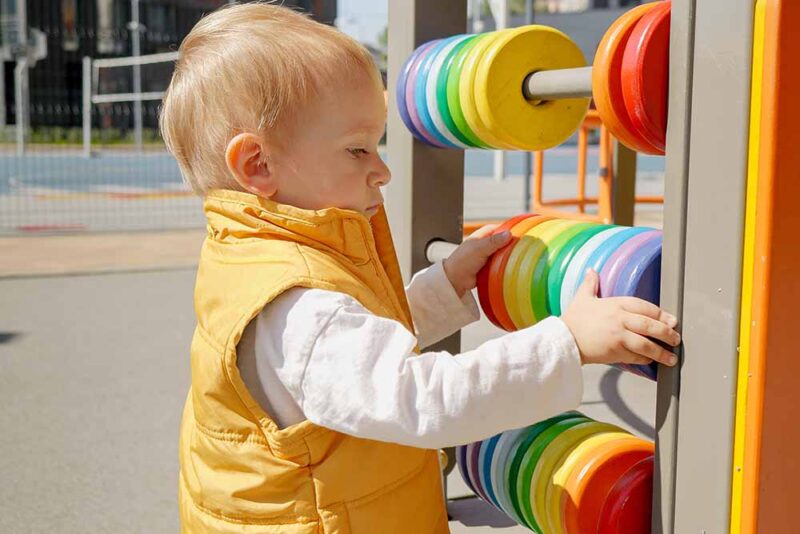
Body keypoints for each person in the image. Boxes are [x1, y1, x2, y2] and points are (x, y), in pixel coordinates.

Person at [160, 3, 680, 532]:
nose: (381, 170)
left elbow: (354, 346)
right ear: (258, 165)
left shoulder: (260, 257)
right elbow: (422, 400)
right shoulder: (298, 306)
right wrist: (567, 343)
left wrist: (442, 286)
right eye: (358, 149)